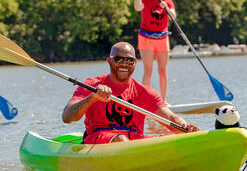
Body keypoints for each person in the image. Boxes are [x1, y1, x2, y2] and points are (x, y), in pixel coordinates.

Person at [62, 42, 199, 144]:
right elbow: (67, 117)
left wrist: (186, 128)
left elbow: (171, 118)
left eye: (129, 60)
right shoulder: (92, 85)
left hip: (135, 141)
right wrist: (93, 97)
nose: (124, 64)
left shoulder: (145, 92)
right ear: (109, 61)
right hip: (99, 138)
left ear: (135, 63)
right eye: (118, 59)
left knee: (164, 140)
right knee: (121, 140)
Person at [134, 0, 175, 102]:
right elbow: (137, 7)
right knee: (148, 70)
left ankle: (163, 101)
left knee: (162, 70)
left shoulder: (167, 1)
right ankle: (145, 101)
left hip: (162, 39)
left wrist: (166, 8)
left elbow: (173, 16)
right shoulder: (144, 0)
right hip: (146, 38)